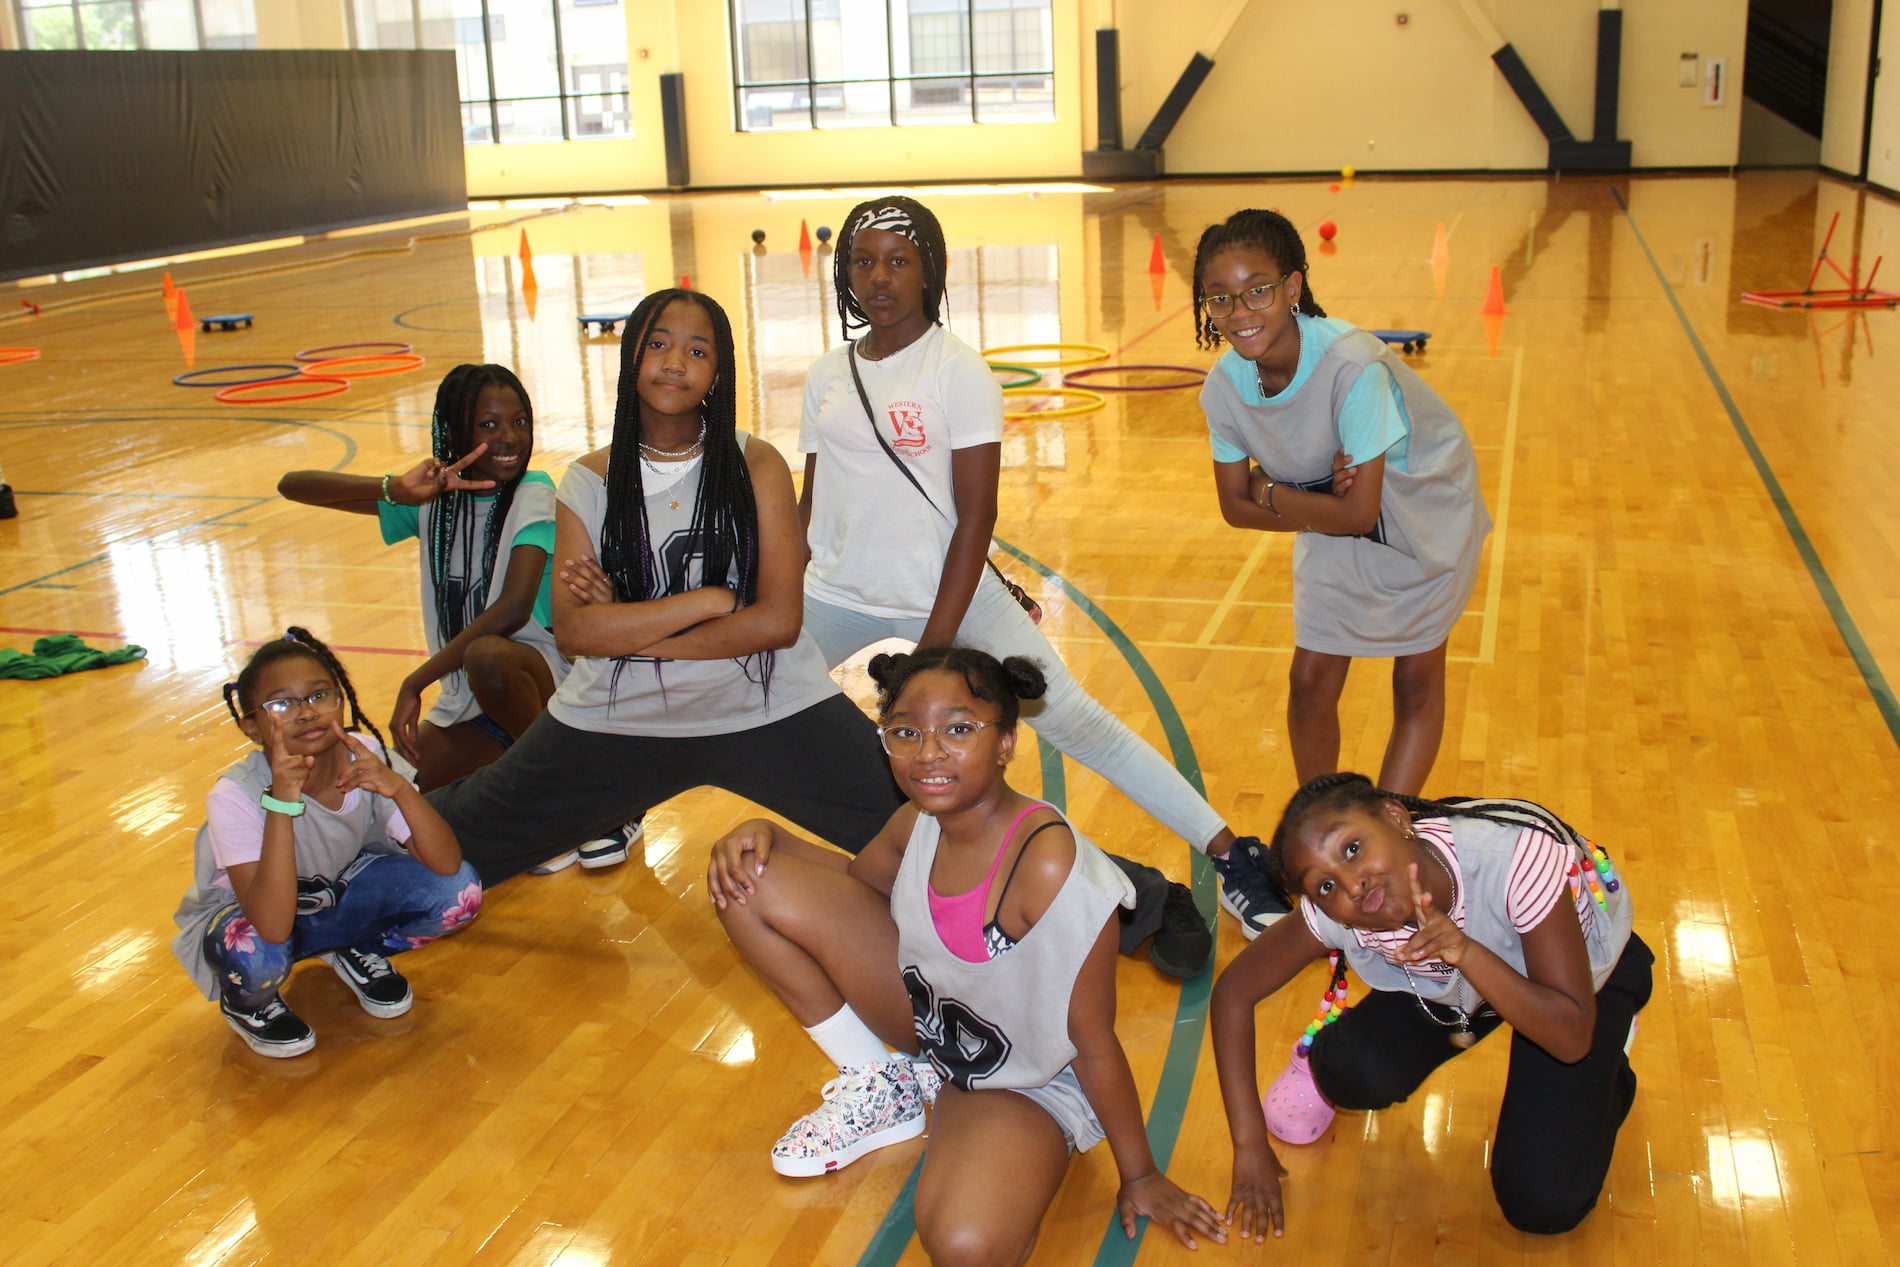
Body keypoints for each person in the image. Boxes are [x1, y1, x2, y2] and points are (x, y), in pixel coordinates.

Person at [799, 194, 1285, 946]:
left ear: (932, 270)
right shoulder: (827, 371)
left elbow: (975, 516)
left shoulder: (957, 371)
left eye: (899, 260)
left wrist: (930, 655)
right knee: (745, 689)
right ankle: (626, 790)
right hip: (834, 592)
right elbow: (810, 498)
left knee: (1079, 720)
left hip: (952, 596)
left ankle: (1231, 855)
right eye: (863, 262)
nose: (879, 278)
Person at [708, 646, 1227, 1258]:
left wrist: (1139, 1174)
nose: (928, 751)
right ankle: (885, 1080)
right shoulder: (919, 823)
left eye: (958, 729)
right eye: (905, 732)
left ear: (1006, 742)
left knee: (962, 1245)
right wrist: (773, 839)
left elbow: (1092, 1042)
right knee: (745, 877)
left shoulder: (1051, 864)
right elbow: (853, 892)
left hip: (1028, 1078)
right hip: (937, 1024)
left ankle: (998, 1139)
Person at [421, 289, 900, 888]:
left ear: (718, 371)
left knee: (920, 832)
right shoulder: (590, 480)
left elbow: (777, 621)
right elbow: (576, 631)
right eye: (657, 344)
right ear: (630, 357)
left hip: (770, 703)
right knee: (451, 850)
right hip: (618, 715)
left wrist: (630, 628)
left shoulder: (756, 463)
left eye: (696, 350)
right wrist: (709, 602)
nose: (675, 362)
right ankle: (317, 876)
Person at [1209, 772, 1652, 1239]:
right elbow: (1233, 995)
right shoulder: (1340, 911)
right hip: (1460, 982)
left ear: (1397, 818)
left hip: (1572, 986)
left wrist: (1468, 952)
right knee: (1348, 1071)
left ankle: (1612, 1051)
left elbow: (1569, 1037)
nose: (1352, 886)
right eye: (1325, 886)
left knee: (1543, 1200)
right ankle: (1336, 1053)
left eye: (1353, 849)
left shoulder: (1513, 859)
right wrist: (1249, 1143)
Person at [278, 364, 635, 868]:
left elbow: (510, 611)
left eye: (520, 421)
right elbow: (292, 485)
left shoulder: (533, 493)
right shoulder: (434, 501)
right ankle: (520, 777)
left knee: (488, 656)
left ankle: (584, 802)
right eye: (489, 425)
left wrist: (413, 682)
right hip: (471, 705)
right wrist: (394, 489)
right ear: (454, 432)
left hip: (547, 686)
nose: (510, 437)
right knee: (391, 799)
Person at [1192, 209, 1491, 797]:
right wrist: (1311, 499)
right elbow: (1233, 507)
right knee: (1309, 681)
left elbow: (1356, 512)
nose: (1240, 312)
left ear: (1294, 288)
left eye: (1258, 291)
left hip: (1423, 513)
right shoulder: (1224, 388)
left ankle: (1394, 819)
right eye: (1220, 298)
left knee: (1416, 680)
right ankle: (1322, 823)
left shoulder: (1353, 368)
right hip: (1331, 519)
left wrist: (1272, 489)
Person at [171, 627, 482, 1058]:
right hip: (255, 918)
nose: (305, 712)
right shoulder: (235, 795)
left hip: (333, 896)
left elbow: (447, 865)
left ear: (340, 699)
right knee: (257, 952)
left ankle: (350, 946)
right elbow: (273, 924)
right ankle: (250, 1006)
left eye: (319, 696)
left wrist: (400, 789)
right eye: (281, 704)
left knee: (458, 894)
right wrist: (282, 803)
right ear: (251, 727)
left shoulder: (364, 756)